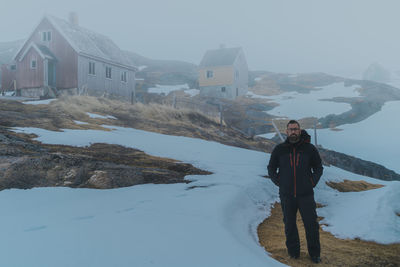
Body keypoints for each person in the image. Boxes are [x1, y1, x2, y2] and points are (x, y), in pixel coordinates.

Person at [268, 120, 323, 263]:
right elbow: (271, 168)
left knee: (311, 225)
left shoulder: (309, 149)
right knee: (289, 225)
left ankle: (314, 254)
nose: (293, 131)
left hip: (306, 194)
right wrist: (279, 182)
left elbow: (318, 167)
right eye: (291, 129)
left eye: (296, 129)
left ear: (299, 131)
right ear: (286, 132)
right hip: (287, 195)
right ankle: (293, 253)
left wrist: (312, 182)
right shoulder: (279, 149)